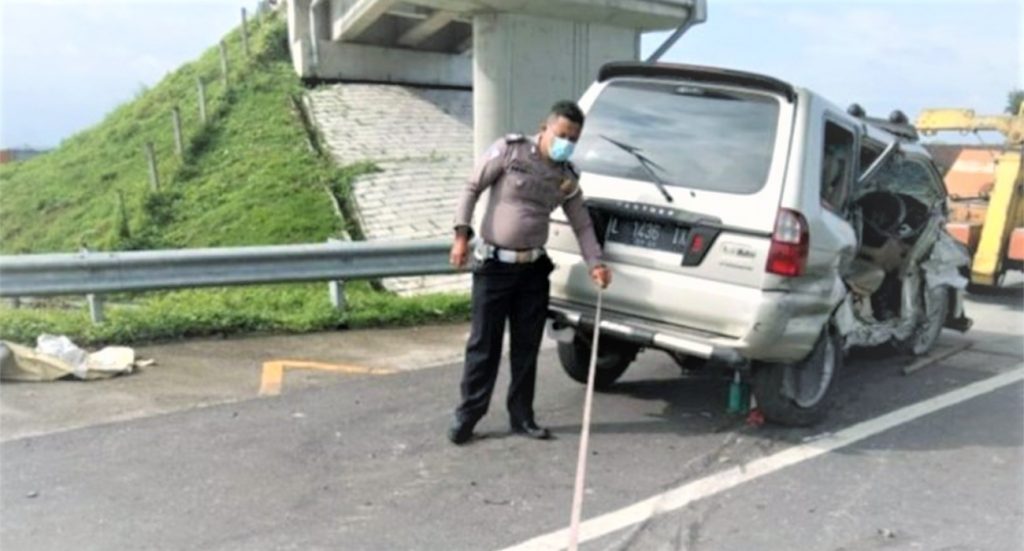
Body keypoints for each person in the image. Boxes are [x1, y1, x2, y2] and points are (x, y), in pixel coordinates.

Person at [447, 100, 611, 445]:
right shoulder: (510, 151)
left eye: (573, 138)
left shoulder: (566, 177)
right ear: (544, 128)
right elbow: (472, 188)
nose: (566, 142)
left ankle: (522, 416)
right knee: (484, 346)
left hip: (533, 271)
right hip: (494, 267)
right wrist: (461, 235)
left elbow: (581, 224)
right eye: (561, 134)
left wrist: (595, 263)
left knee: (526, 347)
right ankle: (468, 415)